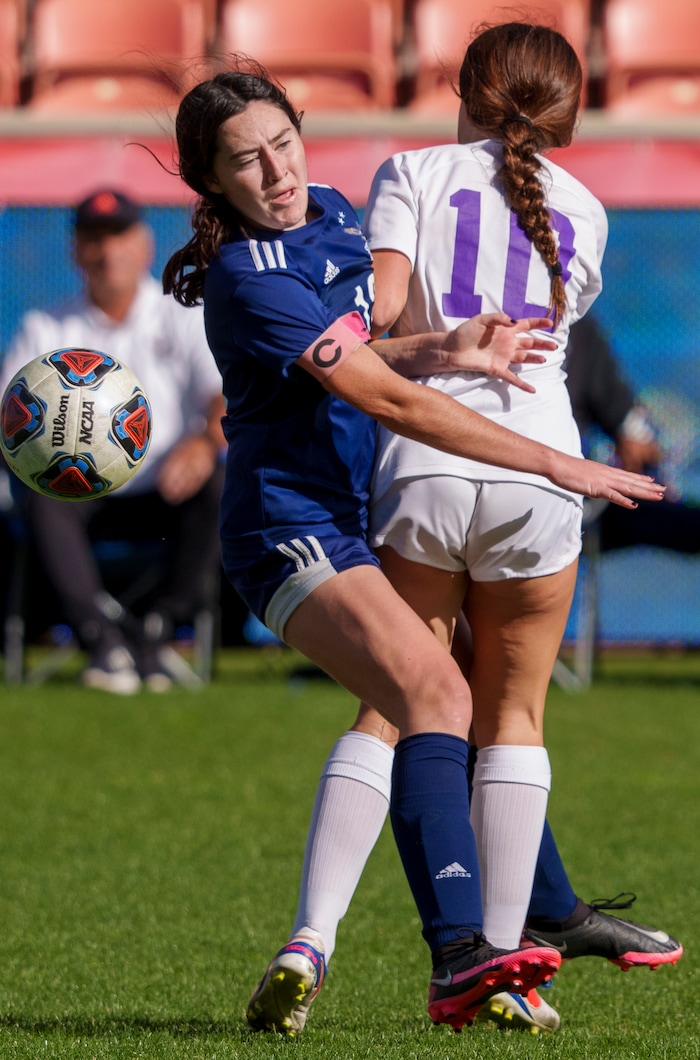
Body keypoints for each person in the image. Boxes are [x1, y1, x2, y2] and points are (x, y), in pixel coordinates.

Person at [161, 65, 664, 1034]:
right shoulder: (245, 276)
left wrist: (451, 349)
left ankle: (355, 940)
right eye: (244, 162)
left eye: (280, 144)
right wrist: (556, 463)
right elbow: (380, 398)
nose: (273, 171)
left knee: (444, 693)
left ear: (301, 132)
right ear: (211, 181)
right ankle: (459, 957)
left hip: (350, 517)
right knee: (438, 695)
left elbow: (367, 356)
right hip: (285, 530)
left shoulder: (337, 216)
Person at [0, 188, 226, 693]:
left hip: (164, 489)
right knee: (33, 489)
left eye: (119, 236)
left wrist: (204, 443)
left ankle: (158, 629)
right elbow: (6, 418)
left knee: (217, 477)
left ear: (145, 245)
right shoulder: (44, 327)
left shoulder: (182, 314)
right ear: (75, 251)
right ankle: (100, 639)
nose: (108, 252)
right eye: (94, 239)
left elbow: (221, 399)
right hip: (78, 496)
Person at [566, 313, 700, 554]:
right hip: (562, 503)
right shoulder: (576, 328)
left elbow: (631, 435)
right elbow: (635, 442)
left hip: (570, 502)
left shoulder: (579, 331)